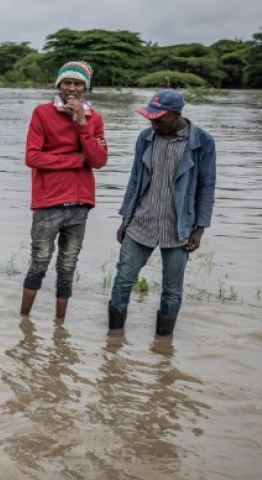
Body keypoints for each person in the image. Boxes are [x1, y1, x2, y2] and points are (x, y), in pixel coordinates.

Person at [108, 89, 216, 336]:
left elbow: (206, 187)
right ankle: (113, 340)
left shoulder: (202, 142)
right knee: (123, 279)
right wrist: (125, 219)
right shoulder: (146, 138)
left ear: (176, 115)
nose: (153, 124)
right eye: (150, 119)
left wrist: (200, 229)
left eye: (159, 119)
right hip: (141, 221)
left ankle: (163, 344)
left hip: (179, 227)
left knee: (171, 289)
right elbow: (135, 180)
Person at [21, 61, 108, 321]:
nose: (72, 88)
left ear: (85, 87)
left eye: (78, 83)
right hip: (48, 202)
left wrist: (82, 122)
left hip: (80, 204)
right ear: (59, 85)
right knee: (39, 263)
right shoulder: (42, 113)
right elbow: (32, 157)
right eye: (67, 82)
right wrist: (76, 160)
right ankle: (24, 322)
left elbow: (99, 160)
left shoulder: (94, 118)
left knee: (68, 267)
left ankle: (60, 327)